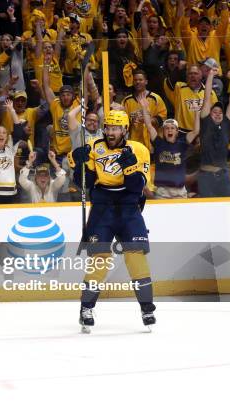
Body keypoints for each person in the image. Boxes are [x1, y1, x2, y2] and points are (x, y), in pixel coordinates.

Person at [70, 110, 155, 331]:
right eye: (108, 127)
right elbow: (86, 183)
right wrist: (78, 166)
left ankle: (147, 308)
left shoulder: (139, 149)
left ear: (125, 129)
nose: (110, 132)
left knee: (136, 256)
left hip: (129, 206)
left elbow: (137, 187)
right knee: (100, 257)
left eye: (116, 128)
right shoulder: (95, 147)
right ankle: (86, 308)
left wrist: (129, 167)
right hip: (103, 208)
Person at [197, 69, 230, 197]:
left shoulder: (226, 124)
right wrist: (210, 76)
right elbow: (207, 97)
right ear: (209, 113)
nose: (218, 114)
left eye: (220, 112)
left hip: (223, 175)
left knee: (229, 209)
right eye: (215, 112)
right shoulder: (206, 122)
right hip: (206, 176)